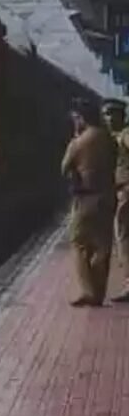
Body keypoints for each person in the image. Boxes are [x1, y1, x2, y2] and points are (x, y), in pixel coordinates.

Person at [61, 97, 117, 306]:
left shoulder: (78, 142)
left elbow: (64, 168)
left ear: (82, 118)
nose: (75, 122)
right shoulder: (109, 138)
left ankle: (88, 290)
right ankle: (99, 293)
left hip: (86, 198)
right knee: (103, 245)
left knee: (79, 243)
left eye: (76, 118)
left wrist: (75, 140)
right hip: (107, 195)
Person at [102, 98, 129, 302]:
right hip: (120, 192)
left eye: (112, 113)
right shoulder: (115, 136)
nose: (108, 117)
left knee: (124, 238)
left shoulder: (126, 135)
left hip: (126, 191)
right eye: (106, 114)